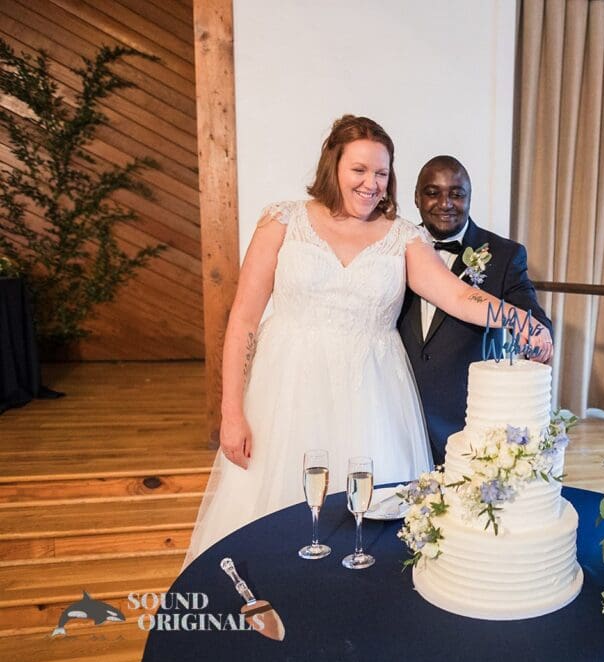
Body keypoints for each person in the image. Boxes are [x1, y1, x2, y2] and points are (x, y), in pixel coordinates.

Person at [185, 118, 553, 564]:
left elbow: (458, 295)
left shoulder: (403, 236)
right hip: (287, 394)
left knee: (371, 533)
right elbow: (243, 320)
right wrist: (231, 412)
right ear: (333, 165)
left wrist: (519, 320)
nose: (371, 184)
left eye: (381, 173)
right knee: (274, 524)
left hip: (373, 400)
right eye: (359, 170)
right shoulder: (282, 221)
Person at [397, 156, 552, 466]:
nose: (445, 203)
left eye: (456, 193)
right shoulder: (392, 247)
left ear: (469, 197)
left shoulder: (505, 254)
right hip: (397, 411)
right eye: (432, 192)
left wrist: (538, 331)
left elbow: (526, 307)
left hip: (464, 421)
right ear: (416, 197)